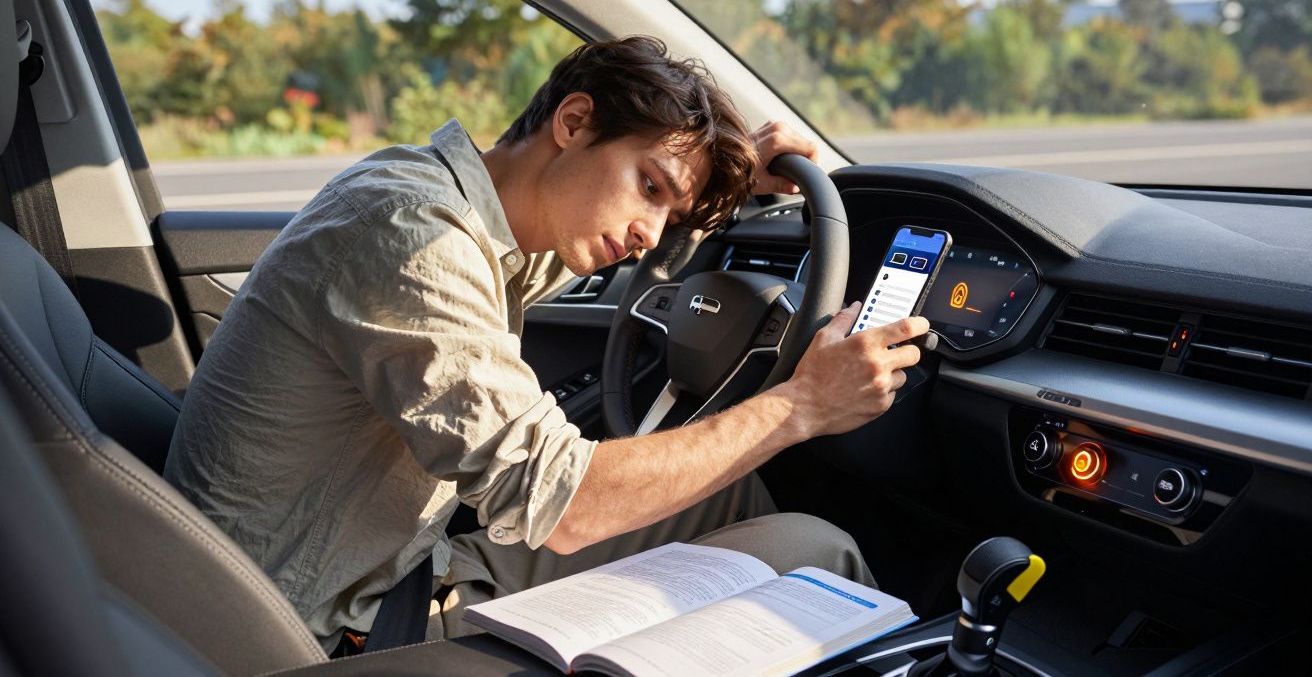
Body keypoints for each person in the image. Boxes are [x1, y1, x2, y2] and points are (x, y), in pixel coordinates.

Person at [164, 36, 929, 653]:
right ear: (573, 123)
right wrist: (800, 405)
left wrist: (719, 185)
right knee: (815, 550)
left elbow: (577, 242)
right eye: (650, 187)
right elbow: (559, 504)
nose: (648, 236)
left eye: (669, 213)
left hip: (378, 567)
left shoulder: (441, 196)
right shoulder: (413, 242)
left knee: (728, 492)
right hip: (317, 630)